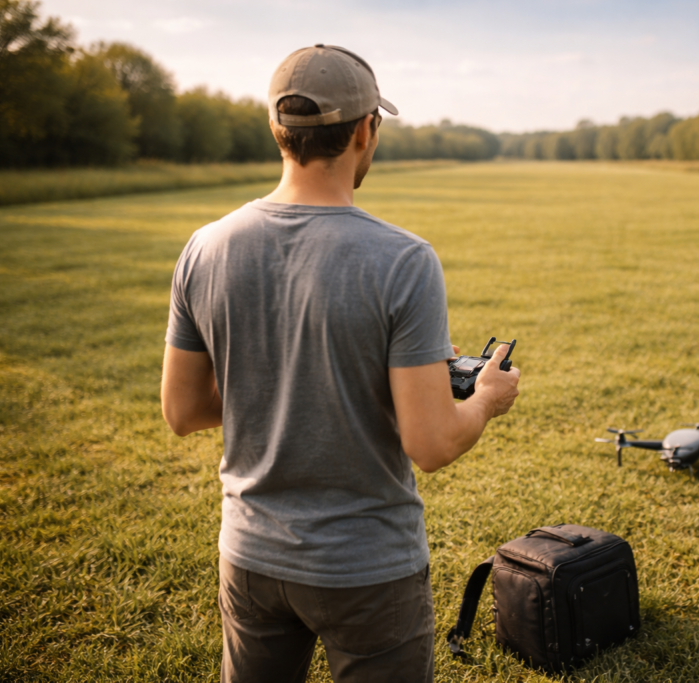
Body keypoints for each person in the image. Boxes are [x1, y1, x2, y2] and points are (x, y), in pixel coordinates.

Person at [160, 44, 520, 683]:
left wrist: (297, 385)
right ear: (364, 130)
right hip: (368, 569)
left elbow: (183, 411)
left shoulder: (204, 248)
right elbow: (432, 444)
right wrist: (485, 396)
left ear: (279, 130)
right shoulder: (404, 261)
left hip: (248, 556)